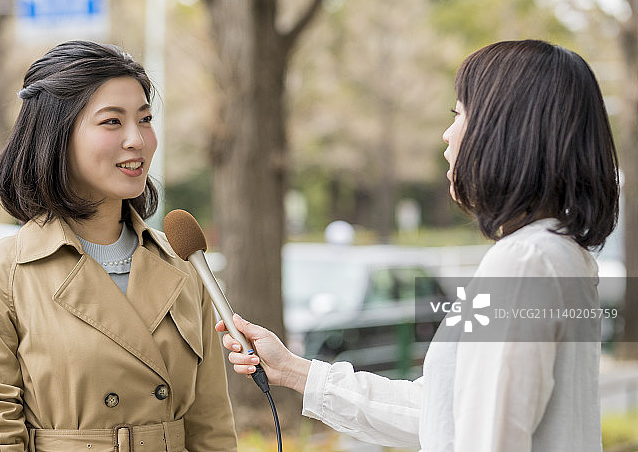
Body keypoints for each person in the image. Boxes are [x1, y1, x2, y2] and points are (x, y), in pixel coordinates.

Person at [218, 39, 619, 452]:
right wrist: (294, 370)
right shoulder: (558, 255)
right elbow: (442, 413)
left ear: (507, 131)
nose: (446, 135)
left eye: (459, 114)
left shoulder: (522, 264)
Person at [0, 41, 237, 451]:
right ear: (56, 136)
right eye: (112, 122)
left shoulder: (183, 266)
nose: (137, 139)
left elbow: (212, 429)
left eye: (145, 119)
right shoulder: (0, 275)